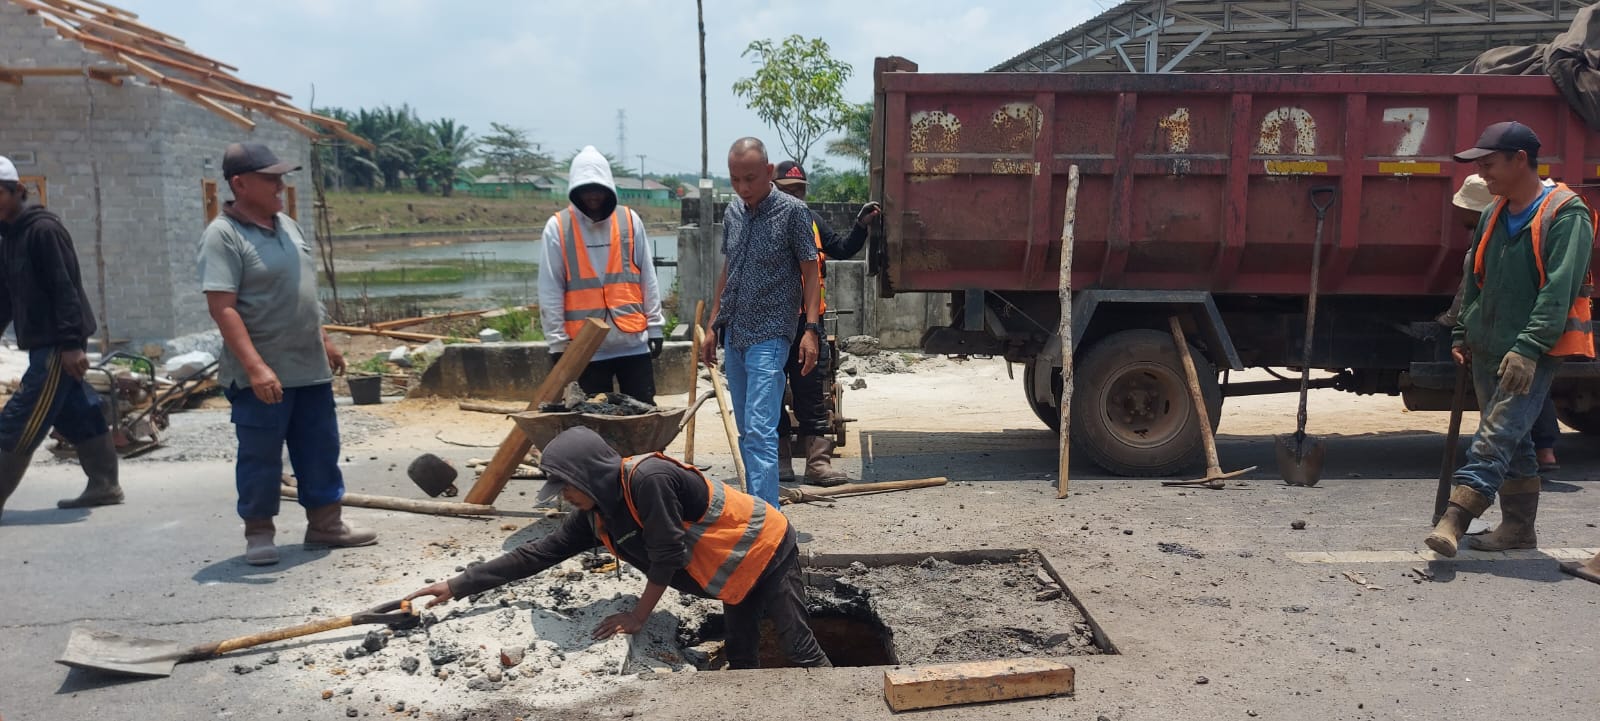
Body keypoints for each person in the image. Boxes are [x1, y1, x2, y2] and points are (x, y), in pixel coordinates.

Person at [404, 426, 831, 669]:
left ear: (587, 474)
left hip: (766, 548)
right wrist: (457, 584)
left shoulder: (648, 480)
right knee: (740, 653)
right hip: (732, 572)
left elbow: (669, 554)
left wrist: (637, 615)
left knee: (796, 643)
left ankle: (838, 704)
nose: (563, 497)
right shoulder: (596, 516)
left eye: (566, 486)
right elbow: (534, 554)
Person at [198, 142, 375, 566]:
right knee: (260, 455)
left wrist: (325, 339)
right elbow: (222, 307)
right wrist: (256, 367)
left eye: (281, 176)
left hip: (308, 367)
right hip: (260, 375)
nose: (281, 185)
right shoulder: (223, 235)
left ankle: (325, 524)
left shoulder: (289, 226)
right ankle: (259, 532)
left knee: (319, 448)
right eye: (270, 178)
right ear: (240, 184)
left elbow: (304, 295)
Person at [1427, 122, 1595, 557]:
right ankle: (1519, 529)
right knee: (1516, 440)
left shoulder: (1565, 213)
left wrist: (1529, 348)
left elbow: (1559, 289)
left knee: (1496, 434)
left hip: (1528, 350)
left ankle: (1456, 518)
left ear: (1521, 159)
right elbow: (1475, 279)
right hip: (1485, 345)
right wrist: (1464, 331)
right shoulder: (1493, 212)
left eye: (1489, 164)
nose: (1483, 174)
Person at [0, 155, 123, 521]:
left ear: (17, 191)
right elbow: (5, 297)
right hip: (43, 343)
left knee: (20, 419)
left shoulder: (43, 230)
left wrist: (72, 344)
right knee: (76, 410)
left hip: (57, 344)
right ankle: (104, 484)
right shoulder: (8, 238)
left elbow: (65, 288)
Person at [700, 139, 821, 506]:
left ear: (769, 173)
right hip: (734, 333)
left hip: (771, 333)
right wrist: (712, 324)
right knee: (746, 429)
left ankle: (766, 520)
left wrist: (811, 330)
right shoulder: (733, 212)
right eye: (736, 179)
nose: (743, 187)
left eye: (750, 178)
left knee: (761, 428)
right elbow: (728, 268)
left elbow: (811, 272)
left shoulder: (793, 213)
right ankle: (757, 508)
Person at [1444, 175, 1563, 475]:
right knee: (1521, 413)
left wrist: (1451, 323)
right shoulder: (1495, 235)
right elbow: (1473, 291)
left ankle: (1460, 510)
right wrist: (1461, 332)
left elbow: (1467, 295)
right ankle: (1522, 505)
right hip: (1502, 337)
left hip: (1519, 340)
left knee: (1496, 432)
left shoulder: (1546, 224)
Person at [769, 160, 879, 486]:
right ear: (773, 188)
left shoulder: (812, 222)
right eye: (787, 190)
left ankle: (817, 465)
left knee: (812, 397)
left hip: (808, 325)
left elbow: (843, 248)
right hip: (773, 325)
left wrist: (862, 224)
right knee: (771, 396)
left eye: (799, 190)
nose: (794, 196)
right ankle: (780, 464)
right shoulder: (764, 225)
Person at [538, 146, 666, 404]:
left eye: (598, 189)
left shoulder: (630, 221)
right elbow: (550, 289)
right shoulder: (558, 228)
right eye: (585, 190)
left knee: (643, 414)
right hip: (586, 349)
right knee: (593, 420)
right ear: (575, 190)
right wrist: (556, 344)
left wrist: (655, 326)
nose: (592, 196)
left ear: (609, 188)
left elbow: (647, 279)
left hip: (632, 343)